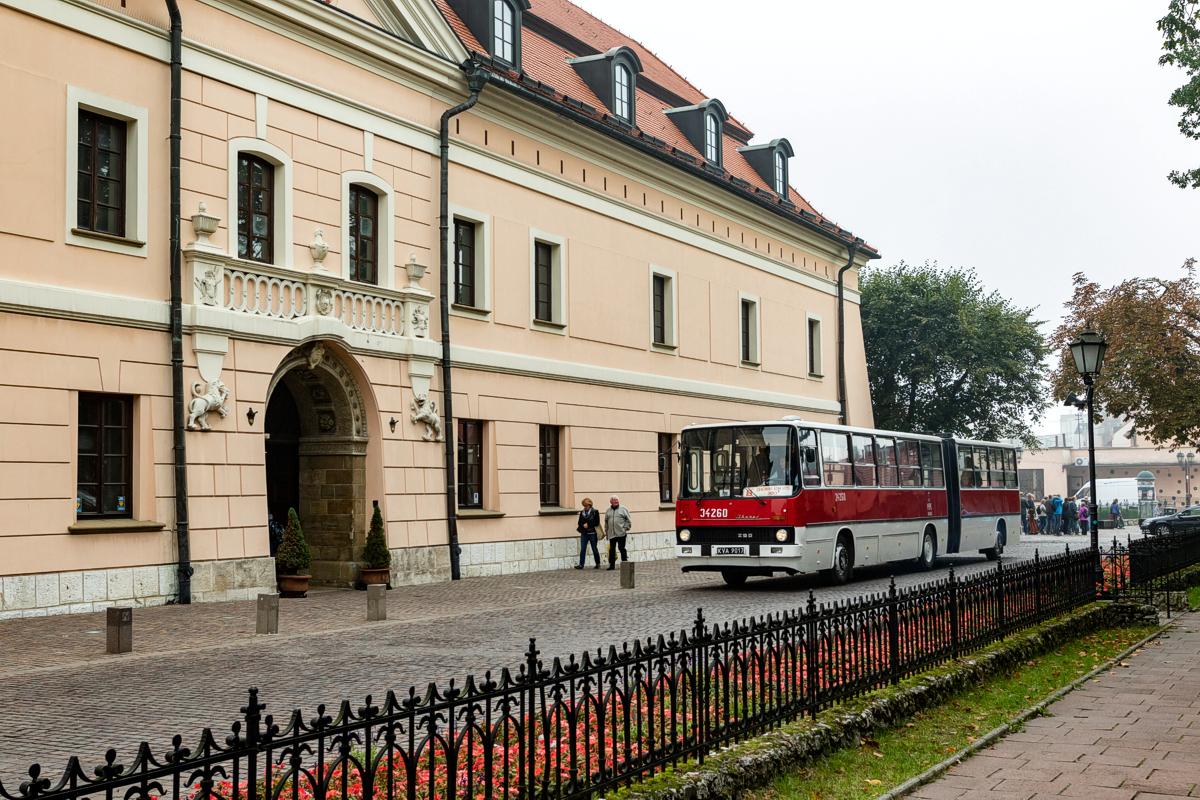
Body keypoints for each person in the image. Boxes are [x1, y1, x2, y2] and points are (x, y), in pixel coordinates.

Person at [604, 494, 633, 570]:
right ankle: (612, 565)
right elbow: (606, 522)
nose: (616, 501)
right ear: (611, 502)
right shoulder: (608, 511)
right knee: (612, 549)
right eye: (614, 500)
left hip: (621, 533)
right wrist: (606, 532)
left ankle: (624, 564)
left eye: (617, 500)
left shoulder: (623, 509)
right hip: (612, 533)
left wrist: (625, 528)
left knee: (622, 548)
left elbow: (628, 520)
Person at [574, 498, 601, 570]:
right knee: (583, 549)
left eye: (586, 506)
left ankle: (597, 563)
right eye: (584, 506)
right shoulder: (582, 513)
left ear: (590, 505)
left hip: (592, 532)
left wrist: (588, 525)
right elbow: (579, 522)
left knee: (594, 548)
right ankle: (581, 564)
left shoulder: (595, 512)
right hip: (584, 533)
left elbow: (597, 522)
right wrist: (583, 525)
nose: (585, 507)